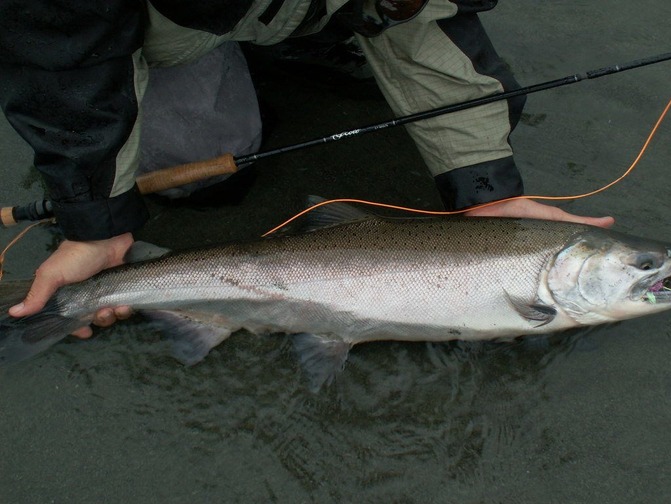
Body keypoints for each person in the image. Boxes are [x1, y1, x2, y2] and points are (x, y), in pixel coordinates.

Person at [0, 0, 613, 338]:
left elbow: (435, 27)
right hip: (130, 23)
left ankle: (300, 31)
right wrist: (95, 222)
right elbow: (61, 55)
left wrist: (484, 189)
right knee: (195, 168)